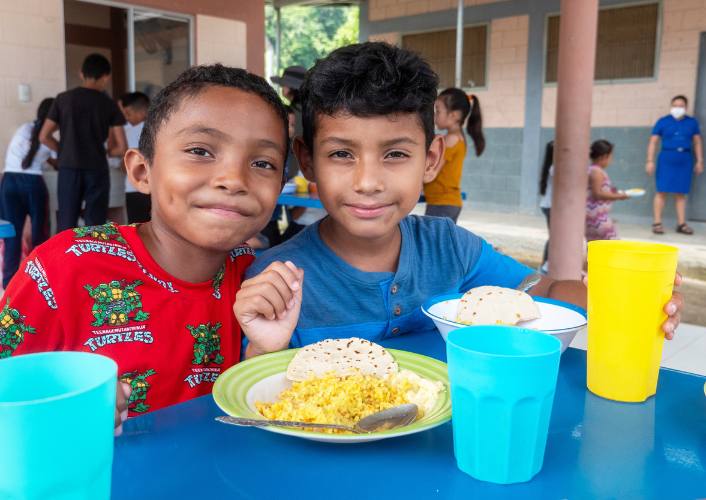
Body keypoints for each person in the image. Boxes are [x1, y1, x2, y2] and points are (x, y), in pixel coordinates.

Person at [246, 42, 683, 349]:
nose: (368, 181)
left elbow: (543, 292)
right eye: (342, 153)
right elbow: (258, 387)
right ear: (307, 160)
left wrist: (629, 296)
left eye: (395, 153)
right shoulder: (276, 280)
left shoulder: (450, 247)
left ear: (431, 158)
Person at [1, 64, 303, 432]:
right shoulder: (65, 267)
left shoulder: (254, 278)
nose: (233, 180)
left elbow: (244, 425)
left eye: (262, 162)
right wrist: (56, 419)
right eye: (200, 150)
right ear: (142, 172)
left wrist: (264, 353)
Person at [39, 53, 128, 232]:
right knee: (95, 223)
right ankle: (91, 259)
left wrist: (63, 151)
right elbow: (122, 147)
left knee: (67, 222)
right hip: (97, 168)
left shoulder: (63, 99)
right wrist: (109, 152)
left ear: (81, 73)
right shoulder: (108, 104)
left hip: (69, 167)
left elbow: (44, 136)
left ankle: (67, 259)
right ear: (106, 77)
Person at [0, 98, 55, 288]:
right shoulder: (49, 138)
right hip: (32, 183)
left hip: (8, 181)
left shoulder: (23, 129)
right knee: (39, 234)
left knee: (12, 234)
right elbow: (60, 160)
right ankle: (36, 282)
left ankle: (8, 284)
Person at [423, 88, 484, 222]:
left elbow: (432, 170)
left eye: (438, 111)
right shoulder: (458, 137)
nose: (434, 116)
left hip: (442, 203)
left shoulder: (450, 139)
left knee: (434, 243)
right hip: (445, 203)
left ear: (454, 115)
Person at [646, 95, 704, 235]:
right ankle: (657, 223)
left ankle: (681, 224)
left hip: (685, 159)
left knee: (681, 193)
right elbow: (653, 142)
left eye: (681, 106)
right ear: (671, 106)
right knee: (661, 191)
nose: (677, 108)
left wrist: (700, 161)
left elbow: (697, 142)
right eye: (675, 105)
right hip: (666, 158)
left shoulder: (692, 122)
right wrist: (650, 161)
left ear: (686, 107)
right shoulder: (663, 121)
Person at [586, 140, 628, 242]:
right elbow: (597, 193)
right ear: (603, 157)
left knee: (595, 247)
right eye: (611, 156)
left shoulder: (591, 169)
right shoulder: (597, 171)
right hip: (597, 217)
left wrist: (612, 192)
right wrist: (619, 196)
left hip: (592, 216)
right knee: (613, 244)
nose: (611, 160)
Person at [119, 92, 151, 224]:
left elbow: (124, 162)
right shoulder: (161, 129)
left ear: (143, 111)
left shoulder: (130, 131)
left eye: (129, 113)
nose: (126, 118)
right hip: (158, 187)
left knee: (138, 229)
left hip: (135, 187)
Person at [538, 140, 554, 272]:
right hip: (550, 206)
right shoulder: (554, 168)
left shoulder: (550, 166)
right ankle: (544, 265)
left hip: (548, 205)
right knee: (554, 237)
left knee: (553, 236)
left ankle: (545, 264)